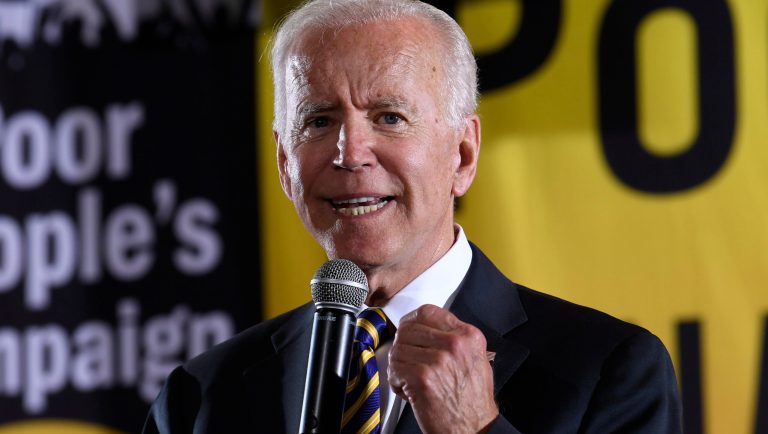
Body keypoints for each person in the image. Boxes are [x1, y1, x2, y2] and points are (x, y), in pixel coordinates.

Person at [143, 0, 682, 433]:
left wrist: (473, 429)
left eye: (390, 117)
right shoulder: (201, 396)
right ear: (285, 163)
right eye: (319, 120)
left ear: (462, 156)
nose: (350, 152)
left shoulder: (607, 371)